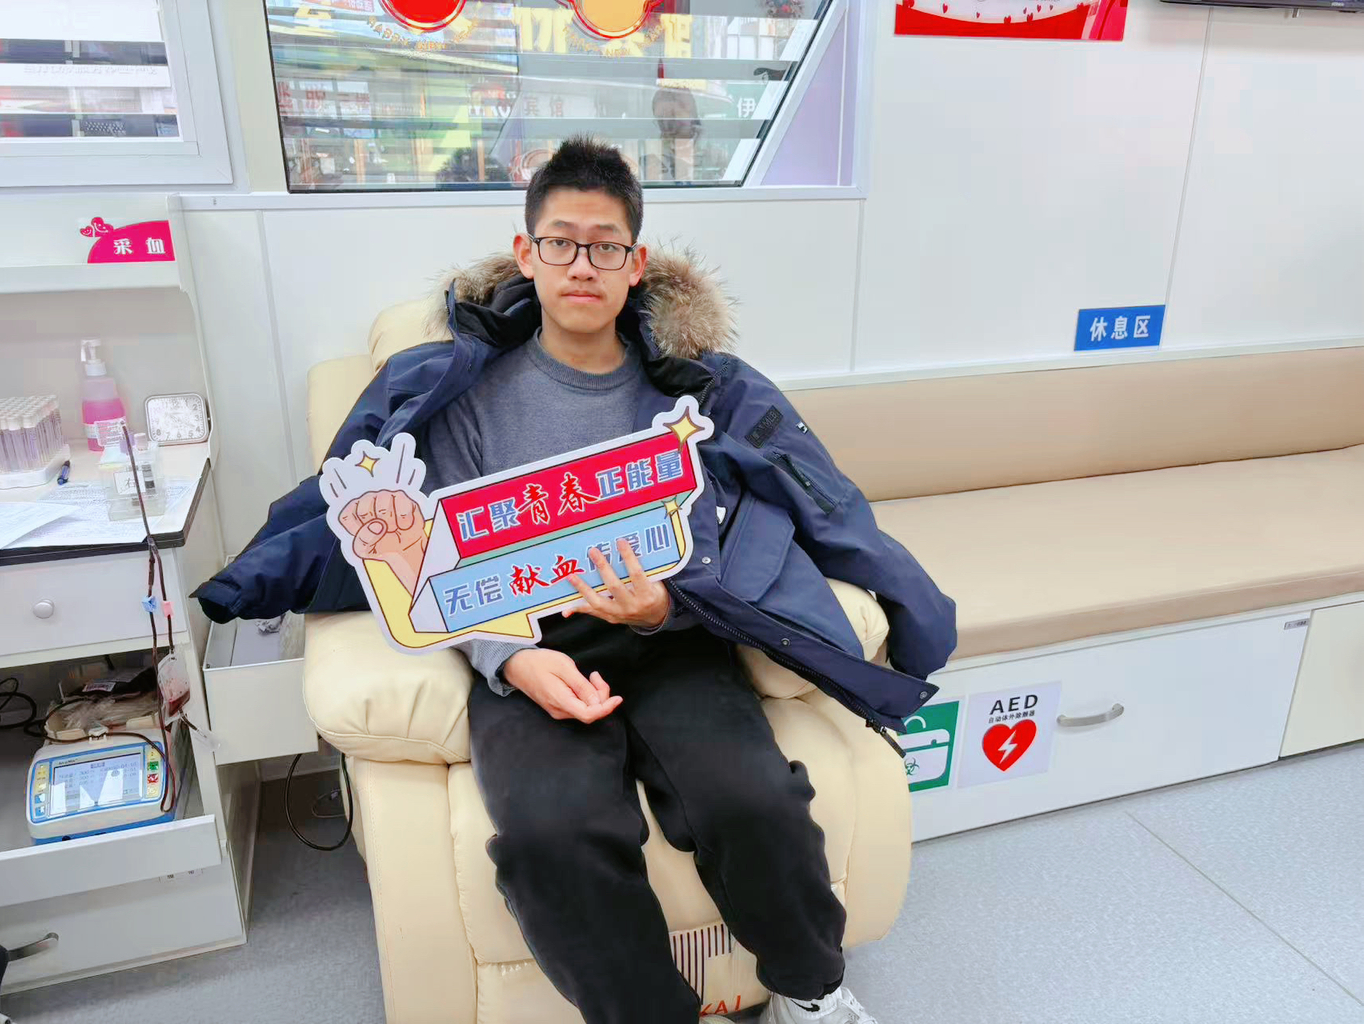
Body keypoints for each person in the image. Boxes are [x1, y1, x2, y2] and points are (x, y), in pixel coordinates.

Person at [193, 136, 956, 1024]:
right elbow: (433, 559)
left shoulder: (698, 392)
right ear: (527, 253)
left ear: (636, 263)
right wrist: (509, 659)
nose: (581, 264)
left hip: (671, 635)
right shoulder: (463, 395)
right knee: (549, 839)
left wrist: (667, 608)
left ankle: (810, 988)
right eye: (561, 242)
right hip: (527, 645)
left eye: (604, 246)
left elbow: (802, 507)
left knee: (755, 802)